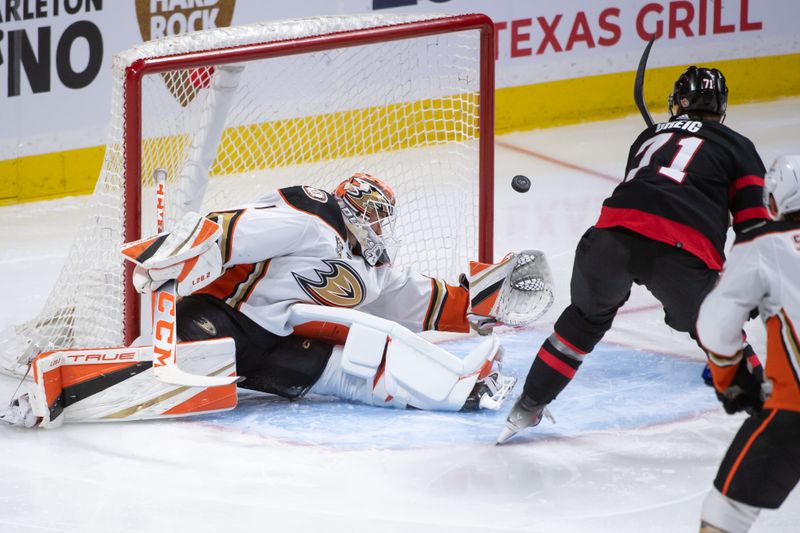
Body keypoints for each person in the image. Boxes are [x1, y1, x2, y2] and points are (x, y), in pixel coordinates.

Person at [497, 66, 770, 444]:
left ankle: (526, 407)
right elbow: (755, 229)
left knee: (583, 321)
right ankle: (779, 417)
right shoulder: (739, 148)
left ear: (679, 102)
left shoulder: (647, 137)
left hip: (609, 238)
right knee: (718, 331)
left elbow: (647, 192)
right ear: (721, 109)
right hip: (681, 251)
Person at [132, 173, 552, 412]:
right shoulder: (308, 219)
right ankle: (135, 363)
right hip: (220, 314)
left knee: (357, 376)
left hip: (275, 342)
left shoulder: (369, 268)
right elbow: (229, 229)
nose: (380, 229)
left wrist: (478, 305)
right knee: (177, 363)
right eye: (375, 217)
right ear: (353, 208)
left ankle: (458, 393)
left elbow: (411, 296)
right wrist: (173, 255)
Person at [695, 155, 800, 533]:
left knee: (725, 513)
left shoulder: (764, 244)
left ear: (774, 202)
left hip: (795, 410)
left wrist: (731, 379)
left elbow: (715, 326)